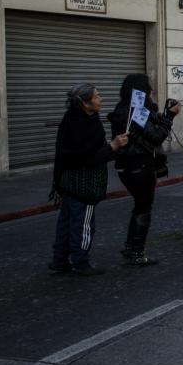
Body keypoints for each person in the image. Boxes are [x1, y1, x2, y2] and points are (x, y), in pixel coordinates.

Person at [49, 84, 128, 275]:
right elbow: (90, 157)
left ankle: (59, 259)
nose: (100, 99)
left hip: (67, 181)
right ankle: (80, 261)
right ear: (85, 103)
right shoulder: (88, 124)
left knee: (66, 222)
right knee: (83, 224)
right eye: (96, 96)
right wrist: (114, 146)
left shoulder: (71, 119)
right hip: (84, 185)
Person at [107, 74, 179, 266]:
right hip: (141, 165)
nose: (151, 92)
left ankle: (131, 246)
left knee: (140, 206)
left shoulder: (122, 109)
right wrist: (169, 117)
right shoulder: (137, 112)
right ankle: (137, 251)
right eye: (148, 88)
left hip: (126, 165)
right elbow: (155, 136)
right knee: (144, 208)